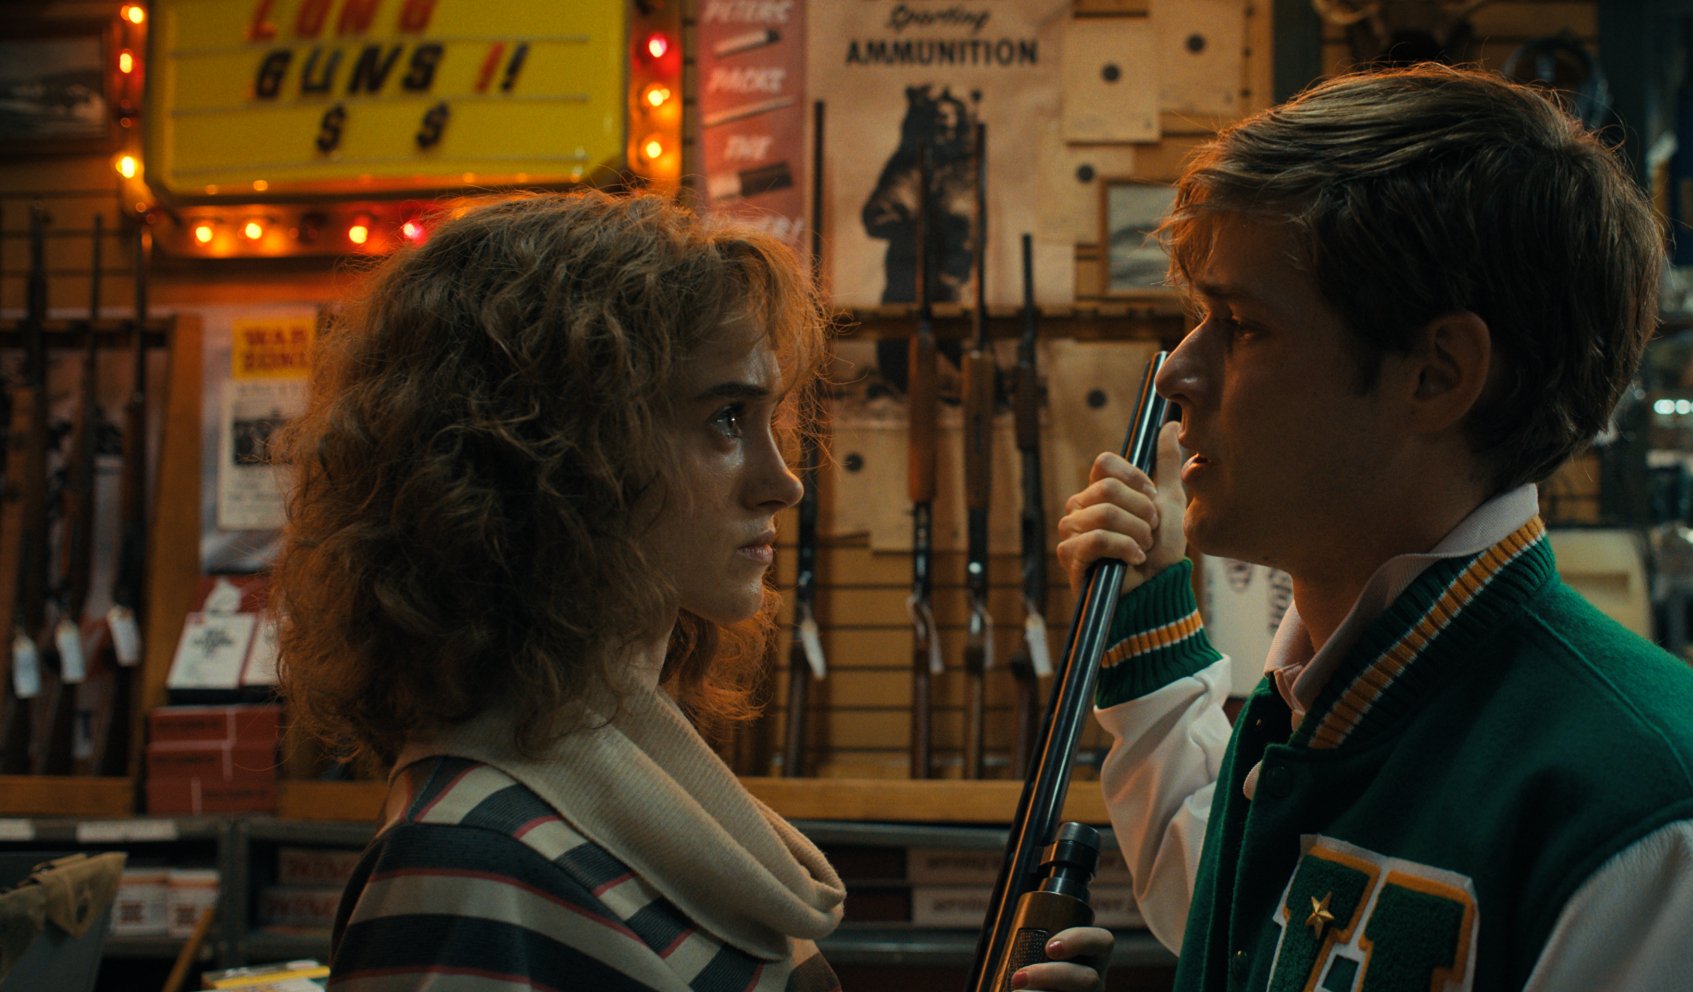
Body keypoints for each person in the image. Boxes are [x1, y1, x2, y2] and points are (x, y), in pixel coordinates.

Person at [1055, 66, 1693, 991]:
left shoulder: (1678, 838)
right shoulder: (1318, 712)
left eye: (1243, 325)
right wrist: (1149, 617)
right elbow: (1216, 888)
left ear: (1438, 372)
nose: (1177, 374)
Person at [272, 191, 1109, 991]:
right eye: (724, 420)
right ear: (561, 456)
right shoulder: (464, 862)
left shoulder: (622, 791)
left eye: (766, 421)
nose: (784, 484)